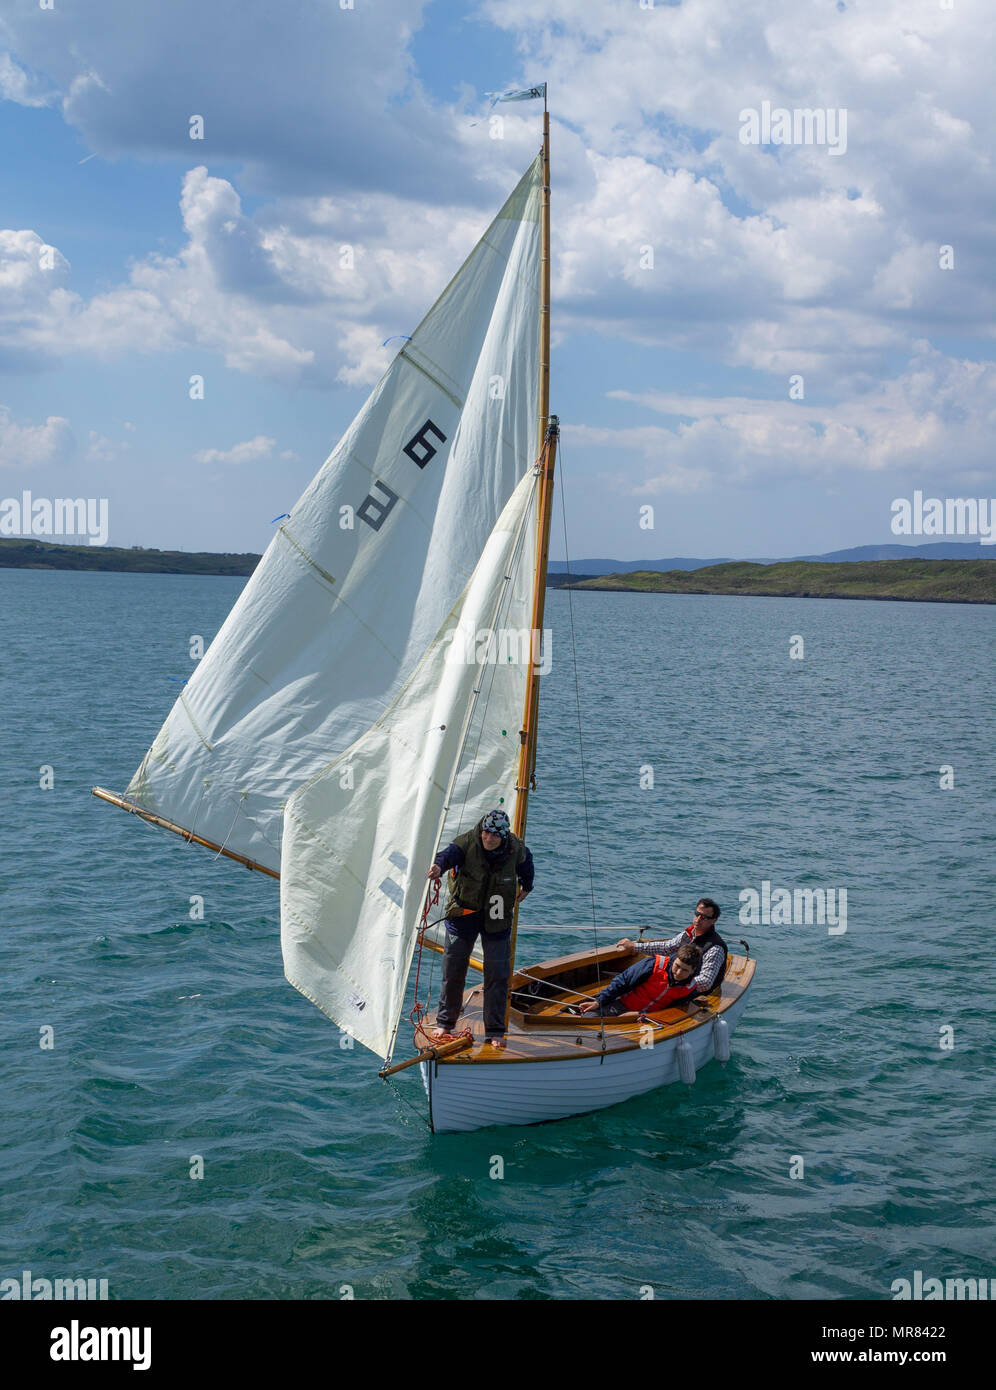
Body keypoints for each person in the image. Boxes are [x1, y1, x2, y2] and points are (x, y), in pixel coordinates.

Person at [426, 809, 534, 1049]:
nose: (488, 838)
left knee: (497, 974)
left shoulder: (516, 848)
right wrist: (437, 867)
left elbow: (527, 866)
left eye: (494, 835)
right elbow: (447, 856)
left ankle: (495, 1030)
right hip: (463, 916)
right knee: (453, 970)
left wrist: (527, 886)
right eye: (485, 832)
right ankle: (445, 1022)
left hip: (497, 918)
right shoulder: (466, 842)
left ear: (503, 836)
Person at [615, 896, 728, 997]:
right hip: (676, 979)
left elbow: (706, 982)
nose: (698, 920)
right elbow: (667, 947)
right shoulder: (689, 933)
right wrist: (634, 946)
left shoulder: (715, 948)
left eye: (704, 917)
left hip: (690, 990)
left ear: (714, 920)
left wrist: (676, 980)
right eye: (697, 914)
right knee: (647, 967)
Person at [576, 941, 703, 1016]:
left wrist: (641, 1014)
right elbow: (622, 981)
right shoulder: (653, 965)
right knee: (589, 1017)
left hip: (650, 1018)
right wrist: (598, 1001)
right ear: (674, 960)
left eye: (685, 970)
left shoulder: (691, 987)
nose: (679, 972)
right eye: (677, 966)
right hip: (622, 1005)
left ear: (693, 971)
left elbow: (674, 1009)